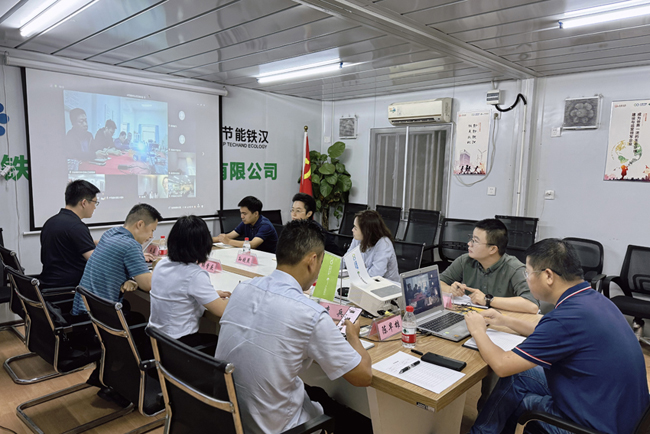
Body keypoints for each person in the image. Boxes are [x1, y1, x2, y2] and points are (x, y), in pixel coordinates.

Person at [466, 239, 649, 434]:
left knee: (517, 402)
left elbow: (502, 365)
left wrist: (478, 331)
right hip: (617, 412)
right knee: (520, 375)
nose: (527, 279)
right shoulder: (593, 300)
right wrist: (504, 320)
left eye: (528, 273)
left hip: (594, 427)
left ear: (548, 276)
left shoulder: (565, 318)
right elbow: (551, 332)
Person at [215, 220, 372, 433]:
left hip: (229, 418)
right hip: (280, 428)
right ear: (312, 261)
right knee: (360, 422)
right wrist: (353, 335)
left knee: (316, 392)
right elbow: (363, 376)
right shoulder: (310, 314)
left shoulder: (242, 289)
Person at [149, 215, 230, 354]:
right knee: (222, 343)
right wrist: (238, 299)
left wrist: (211, 295)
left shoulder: (162, 264)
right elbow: (222, 311)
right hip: (178, 347)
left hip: (156, 341)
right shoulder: (194, 274)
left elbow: (178, 292)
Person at [71, 203, 162, 316]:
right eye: (152, 230)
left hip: (83, 306)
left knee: (128, 307)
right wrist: (158, 266)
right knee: (139, 317)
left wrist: (128, 280)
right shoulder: (131, 245)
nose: (151, 236)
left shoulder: (110, 233)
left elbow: (111, 268)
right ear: (140, 224)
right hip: (97, 315)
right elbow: (148, 285)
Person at [441, 218, 539, 314]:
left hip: (503, 321)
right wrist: (451, 290)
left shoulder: (515, 269)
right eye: (471, 239)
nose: (469, 244)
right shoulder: (465, 261)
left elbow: (532, 305)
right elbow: (438, 283)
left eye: (475, 241)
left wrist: (488, 300)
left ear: (492, 249)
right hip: (473, 317)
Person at [39, 180, 99, 289]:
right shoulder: (77, 227)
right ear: (84, 203)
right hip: (70, 289)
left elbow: (70, 245)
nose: (95, 207)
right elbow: (96, 262)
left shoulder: (51, 222)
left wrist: (97, 243)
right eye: (95, 202)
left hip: (49, 284)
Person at [343, 210, 399, 282]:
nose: (352, 230)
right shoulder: (358, 239)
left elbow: (376, 274)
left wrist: (356, 272)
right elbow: (347, 259)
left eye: (355, 228)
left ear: (366, 231)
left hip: (386, 284)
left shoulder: (384, 243)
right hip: (363, 281)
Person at [213, 196, 278, 253]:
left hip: (268, 257)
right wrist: (208, 240)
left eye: (245, 214)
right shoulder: (246, 222)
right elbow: (228, 236)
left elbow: (253, 244)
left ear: (256, 214)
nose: (242, 216)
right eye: (241, 213)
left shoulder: (265, 225)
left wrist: (229, 241)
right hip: (253, 255)